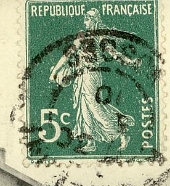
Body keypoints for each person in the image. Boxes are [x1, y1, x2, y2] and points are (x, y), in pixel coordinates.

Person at [47, 8, 140, 153]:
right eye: (85, 18)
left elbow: (113, 53)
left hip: (92, 76)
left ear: (96, 19)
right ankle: (90, 142)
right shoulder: (82, 36)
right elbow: (68, 55)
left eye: (89, 18)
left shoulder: (100, 37)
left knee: (95, 108)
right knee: (83, 108)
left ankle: (121, 131)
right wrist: (55, 72)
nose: (86, 20)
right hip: (80, 76)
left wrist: (128, 61)